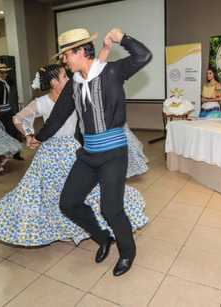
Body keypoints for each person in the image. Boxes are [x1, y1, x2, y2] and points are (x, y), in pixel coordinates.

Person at [31, 27, 151, 276]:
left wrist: (122, 39)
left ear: (79, 52)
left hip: (114, 153)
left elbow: (144, 56)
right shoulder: (73, 85)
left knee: (111, 208)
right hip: (88, 154)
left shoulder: (112, 72)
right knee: (68, 203)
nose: (64, 60)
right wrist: (38, 138)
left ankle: (127, 252)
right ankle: (103, 237)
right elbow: (56, 118)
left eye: (66, 55)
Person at [0, 64, 148, 248]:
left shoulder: (76, 96)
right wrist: (28, 134)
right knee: (50, 195)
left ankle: (100, 227)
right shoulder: (42, 102)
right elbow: (18, 118)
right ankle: (62, 228)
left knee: (91, 192)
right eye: (64, 77)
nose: (68, 80)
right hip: (49, 154)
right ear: (52, 82)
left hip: (72, 150)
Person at [0, 63, 24, 161]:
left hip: (7, 111)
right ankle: (9, 154)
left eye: (5, 72)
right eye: (2, 73)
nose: (5, 74)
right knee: (9, 132)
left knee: (12, 131)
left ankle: (14, 153)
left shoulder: (2, 82)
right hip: (4, 112)